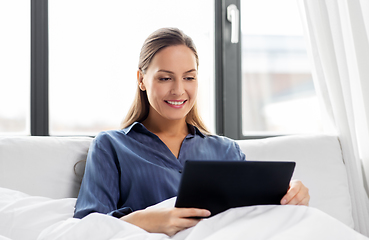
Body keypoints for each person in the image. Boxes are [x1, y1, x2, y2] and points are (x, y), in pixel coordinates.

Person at [74, 27, 310, 236]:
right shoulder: (112, 146)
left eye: (189, 77)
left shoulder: (226, 150)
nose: (178, 90)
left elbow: (253, 219)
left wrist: (287, 196)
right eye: (165, 78)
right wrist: (146, 220)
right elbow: (88, 226)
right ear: (141, 80)